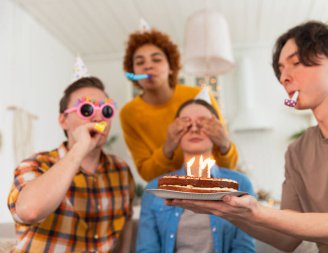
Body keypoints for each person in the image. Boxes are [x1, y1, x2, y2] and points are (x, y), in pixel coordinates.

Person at [167, 21, 328, 253]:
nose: (284, 77)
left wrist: (257, 211)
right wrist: (226, 210)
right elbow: (286, 240)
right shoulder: (298, 149)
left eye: (296, 63)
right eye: (280, 69)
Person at [7, 77, 135, 252]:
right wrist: (80, 147)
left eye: (106, 110)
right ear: (63, 120)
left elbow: (126, 222)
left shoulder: (121, 170)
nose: (98, 118)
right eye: (87, 109)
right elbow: (30, 211)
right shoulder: (36, 164)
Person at [136, 99, 255, 253]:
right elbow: (147, 249)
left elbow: (244, 248)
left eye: (203, 123)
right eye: (185, 123)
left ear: (218, 130)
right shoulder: (154, 190)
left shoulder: (240, 185)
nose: (194, 128)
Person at [119, 28, 238, 182]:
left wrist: (224, 145)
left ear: (171, 67)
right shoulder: (129, 113)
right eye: (140, 62)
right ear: (133, 72)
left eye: (156, 59)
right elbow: (148, 175)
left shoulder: (199, 96)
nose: (148, 66)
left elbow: (228, 167)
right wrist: (168, 146)